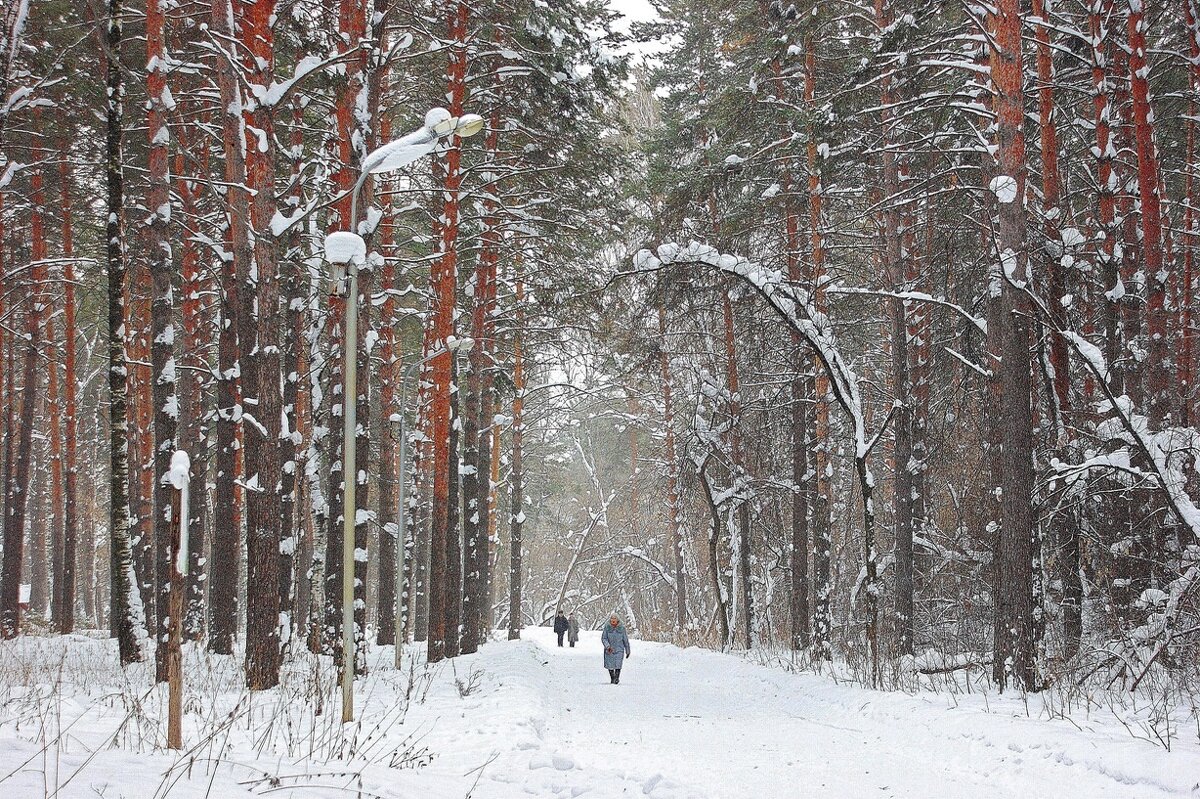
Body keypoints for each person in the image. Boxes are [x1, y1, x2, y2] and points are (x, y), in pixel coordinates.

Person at [601, 615, 630, 684]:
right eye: (612, 618)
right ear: (610, 620)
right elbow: (604, 638)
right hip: (609, 650)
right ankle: (612, 677)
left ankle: (616, 678)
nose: (613, 620)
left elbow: (625, 640)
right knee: (610, 665)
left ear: (617, 620)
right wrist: (607, 646)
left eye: (615, 618)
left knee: (618, 664)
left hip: (619, 649)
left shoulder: (622, 628)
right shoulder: (607, 628)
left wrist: (628, 651)